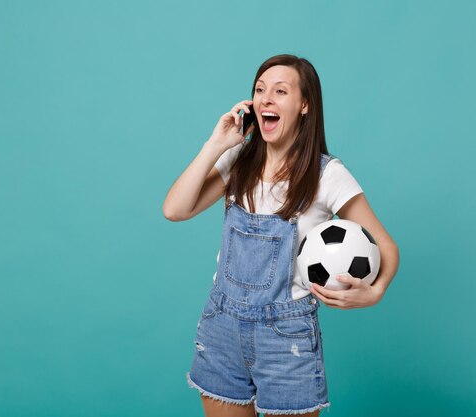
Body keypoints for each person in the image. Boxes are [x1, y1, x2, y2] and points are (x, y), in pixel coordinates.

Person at [163, 54, 399, 417]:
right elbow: (175, 210)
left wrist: (375, 292)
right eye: (259, 90)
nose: (266, 99)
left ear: (304, 105)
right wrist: (215, 144)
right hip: (221, 327)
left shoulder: (327, 175)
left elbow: (386, 246)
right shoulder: (238, 159)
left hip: (286, 338)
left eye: (280, 91)